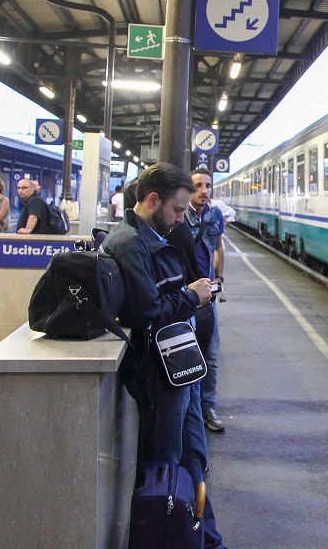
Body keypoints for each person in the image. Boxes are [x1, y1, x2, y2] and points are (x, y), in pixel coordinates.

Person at [100, 163, 225, 549]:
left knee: (192, 458)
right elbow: (148, 311)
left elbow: (158, 299)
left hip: (180, 366)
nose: (179, 218)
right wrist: (192, 295)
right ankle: (174, 535)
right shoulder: (129, 244)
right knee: (168, 464)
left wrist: (185, 295)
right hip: (161, 375)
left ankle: (204, 537)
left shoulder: (150, 236)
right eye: (176, 209)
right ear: (152, 200)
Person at [184, 169, 227, 432]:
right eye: (198, 185)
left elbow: (218, 246)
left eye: (208, 185)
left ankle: (207, 407)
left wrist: (220, 275)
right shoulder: (180, 215)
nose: (204, 190)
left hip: (208, 296)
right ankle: (188, 407)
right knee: (186, 353)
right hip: (184, 295)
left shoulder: (215, 215)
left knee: (210, 355)